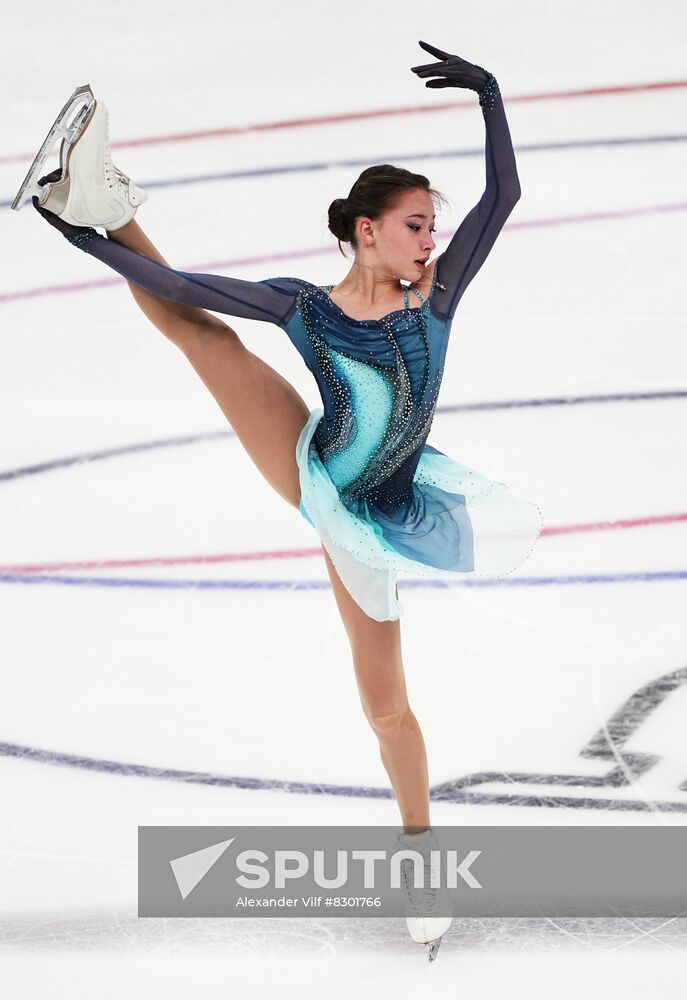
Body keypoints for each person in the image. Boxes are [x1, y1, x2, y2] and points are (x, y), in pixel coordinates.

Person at [27, 40, 543, 955]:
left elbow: (502, 199)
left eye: (432, 227)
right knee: (209, 341)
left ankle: (419, 853)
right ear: (367, 232)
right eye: (417, 225)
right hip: (312, 461)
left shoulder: (437, 301)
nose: (432, 240)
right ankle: (100, 198)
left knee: (386, 709)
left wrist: (490, 99)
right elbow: (186, 289)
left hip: (375, 517)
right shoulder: (304, 307)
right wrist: (86, 242)